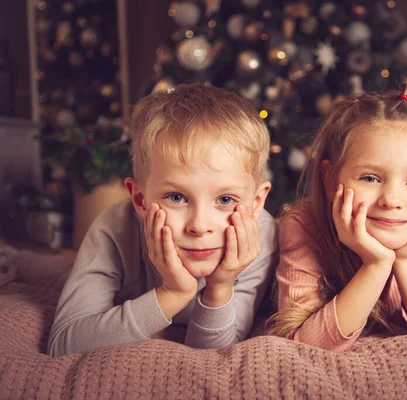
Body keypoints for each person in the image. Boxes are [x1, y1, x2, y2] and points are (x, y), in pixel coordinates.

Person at [48, 83, 277, 356]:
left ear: (256, 203)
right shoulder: (115, 227)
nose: (200, 226)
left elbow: (215, 358)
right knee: (50, 272)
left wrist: (220, 287)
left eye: (225, 200)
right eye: (177, 197)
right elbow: (63, 345)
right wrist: (172, 293)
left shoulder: (259, 235)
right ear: (140, 200)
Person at [268, 85, 407, 352]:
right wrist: (375, 266)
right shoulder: (303, 226)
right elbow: (303, 346)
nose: (391, 200)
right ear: (330, 180)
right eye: (370, 178)